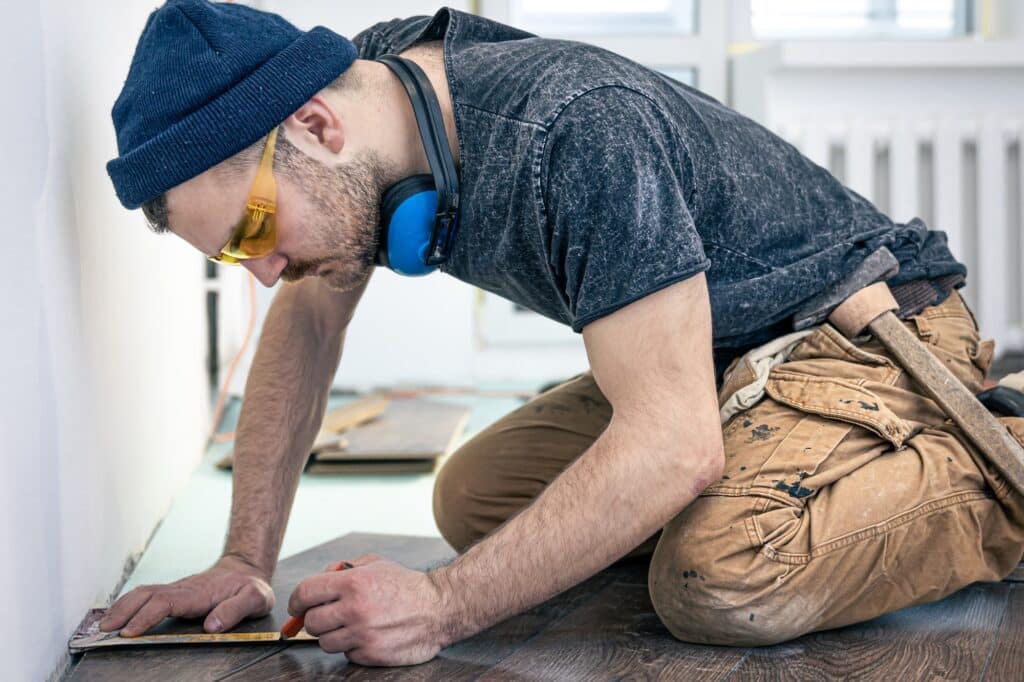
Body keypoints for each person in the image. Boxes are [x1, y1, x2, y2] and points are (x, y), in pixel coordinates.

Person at [99, 0, 1024, 666]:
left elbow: (671, 445)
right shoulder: (375, 93)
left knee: (723, 576)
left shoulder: (575, 133)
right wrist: (243, 560)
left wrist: (439, 606)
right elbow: (306, 320)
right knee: (476, 500)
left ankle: (998, 452)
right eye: (233, 256)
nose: (264, 272)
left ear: (316, 125)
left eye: (255, 232)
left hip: (867, 333)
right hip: (725, 354)